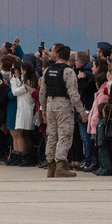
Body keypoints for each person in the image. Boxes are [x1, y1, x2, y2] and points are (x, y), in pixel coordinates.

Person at [39, 44, 87, 178]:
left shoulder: (48, 70)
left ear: (58, 55)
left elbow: (42, 91)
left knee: (52, 135)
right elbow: (73, 92)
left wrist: (43, 108)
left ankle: (51, 166)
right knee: (64, 135)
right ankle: (60, 165)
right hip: (64, 105)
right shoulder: (68, 71)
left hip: (50, 105)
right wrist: (81, 110)